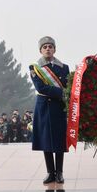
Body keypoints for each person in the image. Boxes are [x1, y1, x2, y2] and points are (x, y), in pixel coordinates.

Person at [29, 36, 69, 184]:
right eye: (44, 47)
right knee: (46, 140)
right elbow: (41, 87)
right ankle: (49, 172)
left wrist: (65, 94)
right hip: (44, 107)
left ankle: (59, 172)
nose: (47, 49)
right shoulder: (35, 68)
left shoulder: (64, 68)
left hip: (59, 107)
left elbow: (67, 85)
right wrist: (61, 93)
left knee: (59, 141)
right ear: (40, 50)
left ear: (54, 49)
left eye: (50, 46)